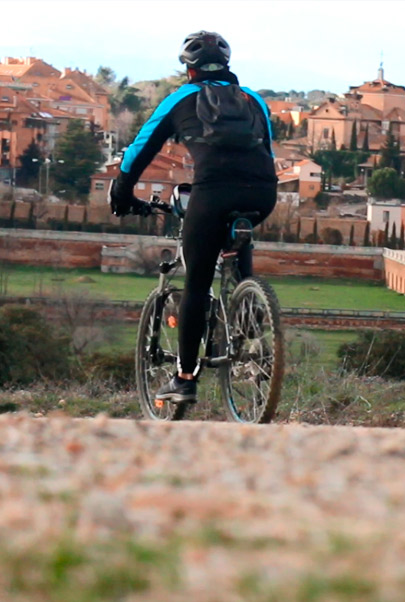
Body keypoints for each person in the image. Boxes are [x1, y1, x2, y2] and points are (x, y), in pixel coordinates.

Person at [110, 31, 278, 404]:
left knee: (198, 284)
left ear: (188, 69)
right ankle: (249, 313)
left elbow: (140, 149)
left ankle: (184, 378)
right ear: (228, 66)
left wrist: (122, 193)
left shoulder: (180, 98)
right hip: (264, 193)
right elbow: (266, 149)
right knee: (236, 238)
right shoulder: (254, 100)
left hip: (213, 193)